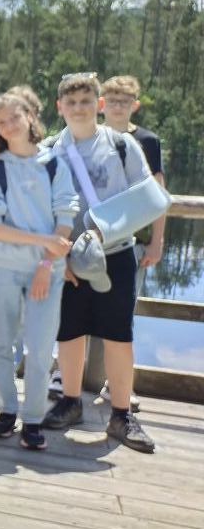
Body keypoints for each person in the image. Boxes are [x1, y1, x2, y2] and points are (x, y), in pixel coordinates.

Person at [42, 73, 155, 453]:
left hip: (116, 254)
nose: (79, 108)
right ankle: (70, 401)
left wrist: (109, 231)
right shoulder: (49, 150)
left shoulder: (122, 146)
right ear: (59, 107)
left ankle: (121, 415)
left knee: (119, 337)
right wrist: (59, 254)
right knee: (69, 334)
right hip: (67, 258)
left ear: (99, 105)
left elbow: (146, 196)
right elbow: (39, 207)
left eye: (86, 101)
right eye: (71, 102)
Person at [0, 93, 78, 450]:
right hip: (3, 267)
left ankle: (33, 419)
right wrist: (42, 240)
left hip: (47, 271)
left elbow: (65, 218)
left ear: (30, 117)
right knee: (2, 343)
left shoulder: (54, 164)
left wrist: (46, 262)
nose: (8, 126)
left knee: (39, 347)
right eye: (0, 122)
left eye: (14, 118)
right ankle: (7, 410)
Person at [98, 75, 162, 411]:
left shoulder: (147, 141)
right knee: (80, 307)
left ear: (135, 105)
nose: (118, 106)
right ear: (102, 104)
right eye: (112, 100)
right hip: (93, 238)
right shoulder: (89, 137)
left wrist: (157, 242)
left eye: (125, 101)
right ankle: (65, 377)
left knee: (124, 312)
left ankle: (118, 386)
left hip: (134, 242)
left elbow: (158, 194)